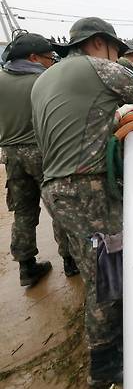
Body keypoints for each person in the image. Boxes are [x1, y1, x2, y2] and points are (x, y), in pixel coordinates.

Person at [31, 17, 133, 387]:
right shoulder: (100, 68)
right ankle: (105, 365)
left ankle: (110, 353)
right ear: (99, 43)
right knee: (106, 279)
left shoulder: (44, 79)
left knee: (96, 271)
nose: (115, 55)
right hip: (83, 190)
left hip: (55, 189)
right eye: (114, 49)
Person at [0, 32, 79, 286]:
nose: (51, 62)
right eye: (49, 57)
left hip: (11, 155)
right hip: (44, 152)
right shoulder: (44, 81)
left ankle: (26, 266)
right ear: (33, 57)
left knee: (23, 210)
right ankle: (70, 261)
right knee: (59, 205)